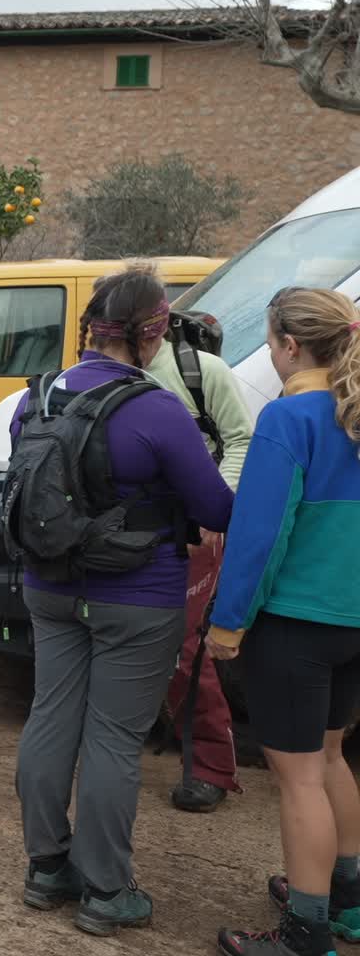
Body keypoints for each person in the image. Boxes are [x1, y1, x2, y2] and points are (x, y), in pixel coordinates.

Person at [11, 265, 234, 937]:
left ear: (87, 330)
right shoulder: (157, 409)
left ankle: (46, 868)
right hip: (139, 597)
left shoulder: (37, 399)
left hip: (50, 587)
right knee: (112, 736)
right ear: (153, 332)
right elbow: (213, 505)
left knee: (50, 717)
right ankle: (107, 891)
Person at [211, 287, 360, 956]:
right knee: (330, 758)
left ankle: (305, 932)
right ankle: (345, 899)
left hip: (296, 624)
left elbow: (260, 535)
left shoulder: (288, 418)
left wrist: (228, 621)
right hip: (353, 624)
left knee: (299, 777)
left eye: (270, 341)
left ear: (289, 346)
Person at [143, 311, 254, 813]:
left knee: (185, 650)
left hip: (193, 535)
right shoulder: (105, 368)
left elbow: (240, 439)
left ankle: (212, 766)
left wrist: (215, 507)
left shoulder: (201, 372)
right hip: (126, 532)